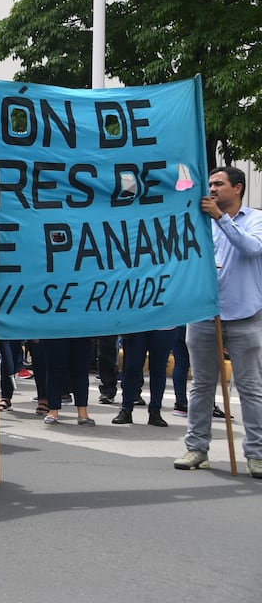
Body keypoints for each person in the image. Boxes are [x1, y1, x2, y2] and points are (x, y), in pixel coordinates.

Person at [175, 167, 262, 478]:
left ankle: (257, 454)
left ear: (237, 188)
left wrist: (221, 220)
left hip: (245, 316)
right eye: (210, 183)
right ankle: (197, 448)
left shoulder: (256, 219)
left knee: (250, 388)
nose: (212, 189)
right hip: (204, 315)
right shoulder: (200, 221)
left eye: (219, 184)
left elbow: (251, 248)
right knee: (201, 386)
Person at [112, 328, 179, 427]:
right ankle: (126, 409)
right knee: (132, 367)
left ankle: (155, 411)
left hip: (164, 325)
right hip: (139, 323)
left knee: (159, 369)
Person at [42, 337, 96, 426]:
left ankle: (82, 412)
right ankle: (53, 411)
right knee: (54, 369)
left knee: (81, 370)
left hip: (82, 330)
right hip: (55, 329)